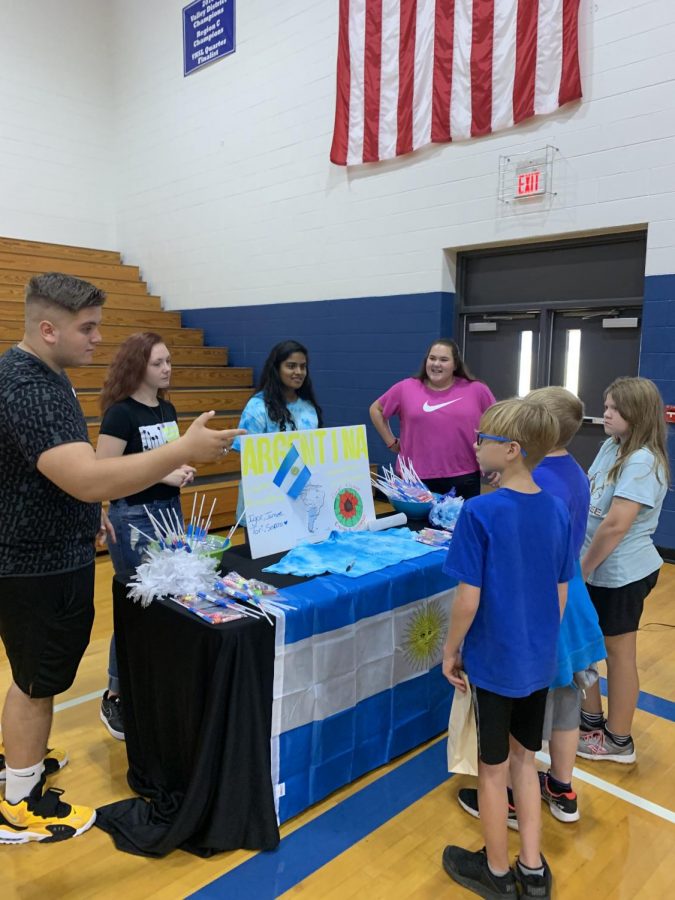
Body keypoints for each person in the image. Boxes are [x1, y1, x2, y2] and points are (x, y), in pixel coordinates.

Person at [0, 273, 243, 844]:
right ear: (47, 328)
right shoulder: (29, 384)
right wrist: (180, 451)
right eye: (87, 328)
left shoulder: (46, 374)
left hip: (52, 549)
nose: (97, 339)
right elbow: (85, 477)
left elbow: (63, 471)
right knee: (37, 681)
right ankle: (19, 800)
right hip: (35, 561)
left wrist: (92, 512)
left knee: (37, 676)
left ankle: (22, 762)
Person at [441, 398, 575, 900]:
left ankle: (497, 873)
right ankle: (533, 870)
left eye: (483, 439)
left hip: (495, 662)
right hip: (538, 660)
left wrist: (451, 650)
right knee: (526, 761)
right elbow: (560, 594)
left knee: (492, 770)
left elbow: (467, 599)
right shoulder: (557, 509)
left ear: (512, 450)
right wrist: (537, 640)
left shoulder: (479, 512)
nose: (475, 446)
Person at [457, 387, 606, 829]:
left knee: (527, 714)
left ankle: (509, 798)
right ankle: (559, 786)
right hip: (564, 601)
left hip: (536, 604)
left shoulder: (534, 488)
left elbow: (510, 558)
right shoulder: (571, 472)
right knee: (563, 700)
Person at [96, 332, 196, 741]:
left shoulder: (167, 409)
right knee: (138, 603)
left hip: (169, 511)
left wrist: (182, 470)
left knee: (165, 601)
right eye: (158, 363)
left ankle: (152, 681)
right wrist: (161, 473)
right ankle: (115, 693)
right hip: (133, 517)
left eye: (169, 361)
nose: (167, 368)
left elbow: (167, 459)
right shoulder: (120, 414)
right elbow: (104, 472)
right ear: (138, 366)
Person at [577, 377, 669, 763]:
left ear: (637, 413)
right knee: (585, 647)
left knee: (619, 653)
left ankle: (618, 741)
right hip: (594, 568)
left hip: (620, 574)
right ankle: (590, 722)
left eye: (615, 408)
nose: (606, 414)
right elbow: (588, 494)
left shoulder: (643, 460)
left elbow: (615, 525)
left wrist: (581, 570)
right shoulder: (610, 446)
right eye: (606, 405)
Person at [369, 338, 495, 500]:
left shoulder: (476, 390)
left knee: (459, 525)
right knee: (415, 526)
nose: (436, 364)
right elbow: (376, 410)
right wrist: (391, 441)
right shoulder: (406, 388)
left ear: (455, 365)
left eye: (444, 359)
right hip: (415, 478)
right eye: (432, 358)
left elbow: (500, 424)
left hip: (464, 474)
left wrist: (499, 464)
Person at [233, 339, 323, 522]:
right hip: (264, 503)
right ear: (277, 368)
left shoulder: (309, 407)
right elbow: (249, 458)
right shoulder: (257, 407)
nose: (298, 372)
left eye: (303, 367)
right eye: (291, 366)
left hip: (301, 499)